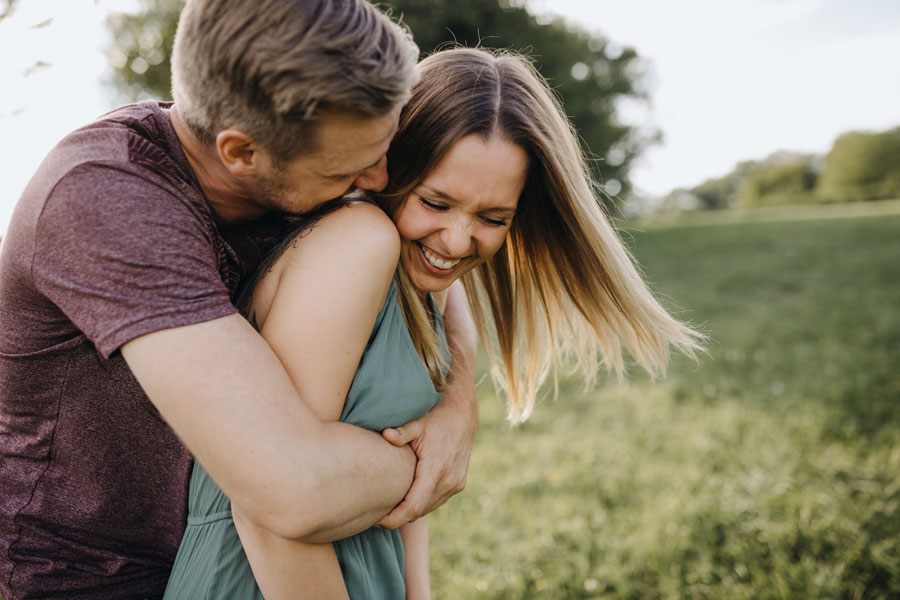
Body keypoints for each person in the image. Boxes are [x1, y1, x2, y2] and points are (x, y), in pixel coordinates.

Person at [162, 47, 705, 599]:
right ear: (389, 170)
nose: (457, 241)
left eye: (493, 218)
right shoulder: (358, 244)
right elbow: (267, 509)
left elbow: (411, 495)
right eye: (436, 202)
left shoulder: (425, 285)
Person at [0, 2, 480, 599]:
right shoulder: (107, 202)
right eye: (351, 169)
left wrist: (459, 403)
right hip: (99, 575)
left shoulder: (302, 162)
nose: (379, 181)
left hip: (235, 562)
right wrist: (429, 460)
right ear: (241, 153)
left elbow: (435, 267)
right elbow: (293, 489)